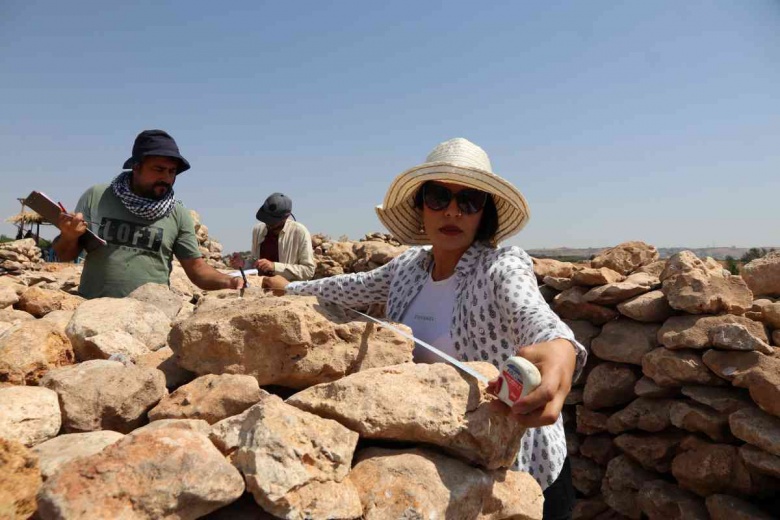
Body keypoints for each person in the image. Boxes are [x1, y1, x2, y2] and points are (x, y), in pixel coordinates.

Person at [263, 138, 585, 519]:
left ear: (485, 213)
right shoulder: (408, 268)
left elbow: (534, 313)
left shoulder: (501, 266)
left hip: (523, 472)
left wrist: (560, 348)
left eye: (469, 201)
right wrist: (289, 288)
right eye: (438, 197)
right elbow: (348, 287)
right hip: (447, 471)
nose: (453, 211)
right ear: (420, 206)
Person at [53, 129, 243, 298]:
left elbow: (197, 270)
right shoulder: (96, 196)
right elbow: (64, 255)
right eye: (158, 170)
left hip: (150, 318)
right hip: (96, 314)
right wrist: (69, 237)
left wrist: (229, 281)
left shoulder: (177, 213)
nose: (167, 178)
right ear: (136, 166)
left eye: (172, 171)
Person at [230, 192, 315, 281]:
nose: (268, 224)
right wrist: (243, 264)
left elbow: (308, 271)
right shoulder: (258, 230)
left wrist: (274, 267)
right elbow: (254, 263)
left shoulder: (299, 232)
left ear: (286, 217)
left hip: (285, 288)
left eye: (273, 221)